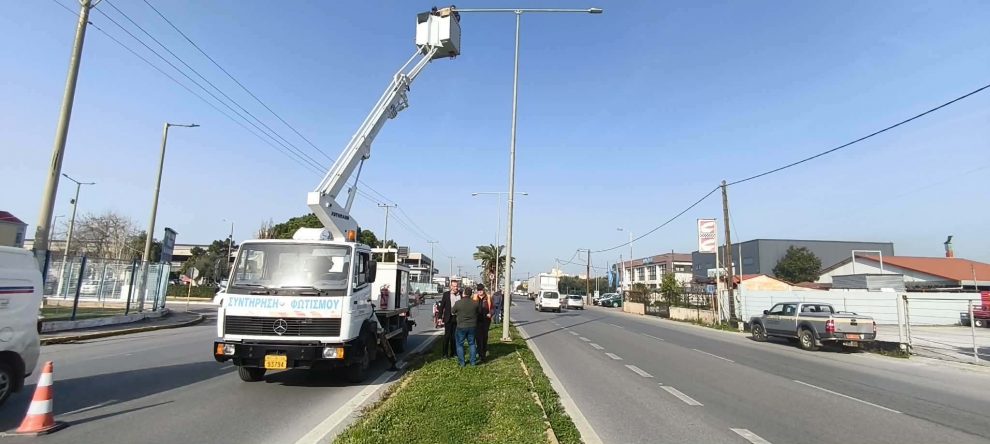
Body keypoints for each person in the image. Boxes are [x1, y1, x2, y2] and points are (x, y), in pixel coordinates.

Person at [452, 285, 479, 367]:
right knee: (472, 344)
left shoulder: (458, 303)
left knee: (460, 344)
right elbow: (478, 312)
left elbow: (453, 311)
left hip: (461, 326)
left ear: (464, 293)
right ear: (471, 294)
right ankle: (473, 362)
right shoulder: (475, 303)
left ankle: (462, 363)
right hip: (472, 326)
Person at [438, 280, 461, 358]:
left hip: (457, 318)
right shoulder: (446, 294)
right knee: (447, 336)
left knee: (454, 336)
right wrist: (439, 317)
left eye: (456, 286)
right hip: (448, 317)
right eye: (454, 286)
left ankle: (453, 353)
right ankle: (445, 354)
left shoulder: (460, 294)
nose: (455, 288)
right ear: (451, 286)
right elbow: (442, 307)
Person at [474, 284, 492, 361]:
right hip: (477, 321)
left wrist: (491, 313)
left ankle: (483, 353)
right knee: (478, 337)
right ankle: (480, 353)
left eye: (481, 290)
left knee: (484, 337)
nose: (480, 291)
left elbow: (493, 308)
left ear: (483, 290)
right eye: (478, 290)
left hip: (486, 320)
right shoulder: (475, 298)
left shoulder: (488, 297)